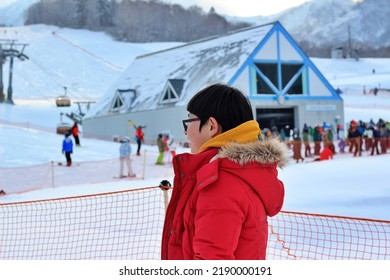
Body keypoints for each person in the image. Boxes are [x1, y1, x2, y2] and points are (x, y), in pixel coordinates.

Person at [161, 84, 288, 260]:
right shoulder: (240, 173)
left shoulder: (221, 184)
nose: (186, 131)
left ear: (212, 126)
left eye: (189, 121)